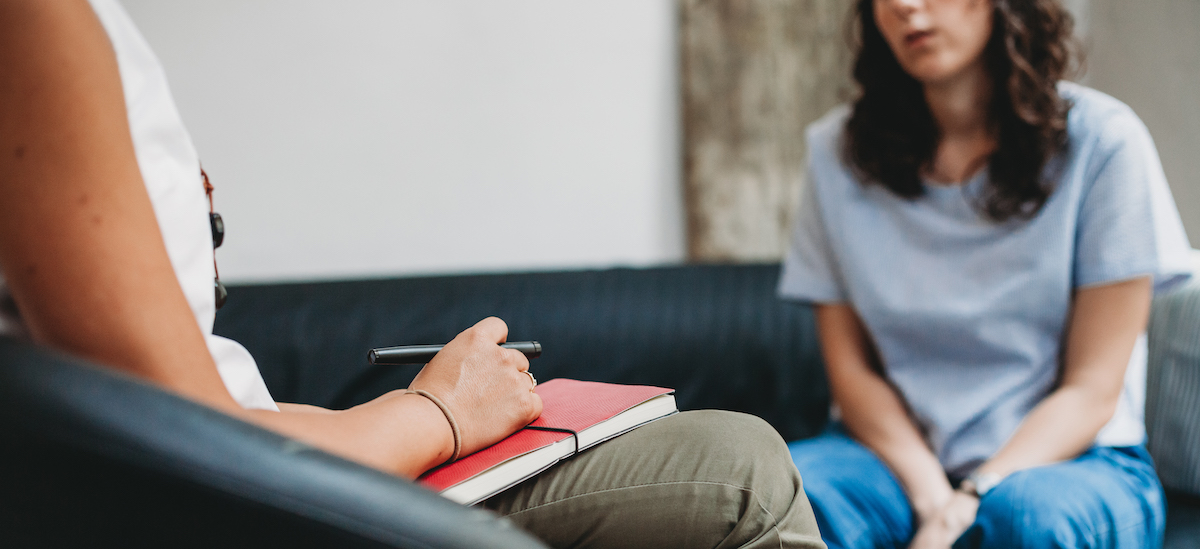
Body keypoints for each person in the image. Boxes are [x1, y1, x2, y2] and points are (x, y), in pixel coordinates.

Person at [0, 1, 826, 548]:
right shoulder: (36, 22)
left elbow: (178, 393)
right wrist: (437, 411)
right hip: (238, 502)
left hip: (250, 467)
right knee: (738, 469)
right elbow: (179, 440)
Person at [778, 0, 1192, 548]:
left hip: (1072, 460)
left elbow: (1093, 391)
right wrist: (933, 499)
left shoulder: (1105, 143)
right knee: (785, 497)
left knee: (1025, 518)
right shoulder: (835, 153)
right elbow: (853, 377)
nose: (905, 5)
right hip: (890, 461)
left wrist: (967, 502)